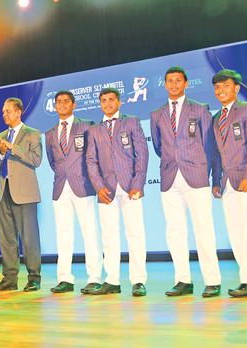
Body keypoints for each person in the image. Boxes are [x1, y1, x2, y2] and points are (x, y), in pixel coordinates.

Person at [151, 67, 222, 297]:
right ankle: (183, 281)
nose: (173, 84)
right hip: (170, 176)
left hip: (196, 175)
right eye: (169, 80)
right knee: (175, 231)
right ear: (165, 84)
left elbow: (209, 144)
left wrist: (211, 174)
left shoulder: (200, 110)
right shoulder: (157, 114)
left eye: (178, 80)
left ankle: (212, 280)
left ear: (186, 83)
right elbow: (159, 147)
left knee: (204, 229)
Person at [209, 70, 247, 297]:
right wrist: (216, 180)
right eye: (217, 87)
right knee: (235, 233)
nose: (220, 90)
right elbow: (216, 153)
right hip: (227, 183)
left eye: (225, 85)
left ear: (236, 88)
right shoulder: (216, 119)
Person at [86, 88, 149, 296]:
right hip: (106, 189)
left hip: (130, 186)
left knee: (135, 233)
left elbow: (142, 153)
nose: (107, 104)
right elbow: (91, 161)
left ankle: (138, 281)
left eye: (111, 100)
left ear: (119, 102)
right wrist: (98, 186)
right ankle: (112, 280)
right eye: (103, 101)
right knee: (109, 236)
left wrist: (138, 183)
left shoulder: (131, 122)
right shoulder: (94, 130)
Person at [45, 90, 103, 294]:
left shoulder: (87, 125)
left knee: (90, 233)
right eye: (58, 102)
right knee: (63, 235)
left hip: (84, 185)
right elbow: (53, 162)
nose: (61, 104)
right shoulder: (50, 133)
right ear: (55, 106)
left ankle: (94, 277)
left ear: (74, 105)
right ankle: (65, 279)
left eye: (66, 101)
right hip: (61, 187)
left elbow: (95, 154)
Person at [0, 98, 43, 292]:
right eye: (3, 111)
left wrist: (12, 148)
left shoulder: (32, 134)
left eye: (8, 111)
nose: (4, 114)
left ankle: (34, 278)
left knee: (29, 238)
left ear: (18, 112)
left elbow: (36, 160)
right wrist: (1, 153)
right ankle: (9, 279)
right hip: (4, 192)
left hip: (25, 194)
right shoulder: (0, 136)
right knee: (7, 238)